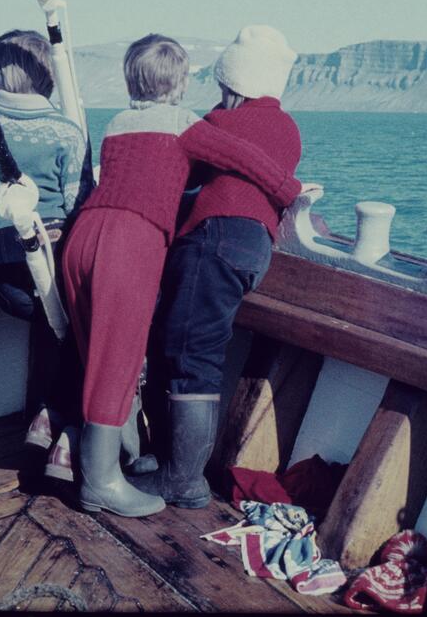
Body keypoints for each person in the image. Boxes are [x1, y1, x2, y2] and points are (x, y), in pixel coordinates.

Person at [60, 33, 303, 517]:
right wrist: (288, 189)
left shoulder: (116, 124)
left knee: (99, 355)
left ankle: (117, 463)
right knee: (124, 358)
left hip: (86, 232)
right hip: (139, 240)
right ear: (179, 85)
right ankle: (109, 480)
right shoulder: (196, 125)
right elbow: (240, 161)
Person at [133, 25, 304, 508]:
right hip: (254, 249)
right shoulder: (289, 128)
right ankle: (169, 460)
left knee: (187, 354)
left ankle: (182, 481)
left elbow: (180, 169)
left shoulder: (218, 122)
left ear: (234, 82)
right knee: (192, 345)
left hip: (214, 237)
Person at [0, 30, 88, 454]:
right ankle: (57, 425)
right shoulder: (67, 132)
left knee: (54, 326)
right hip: (51, 253)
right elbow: (75, 202)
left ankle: (43, 423)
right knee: (77, 329)